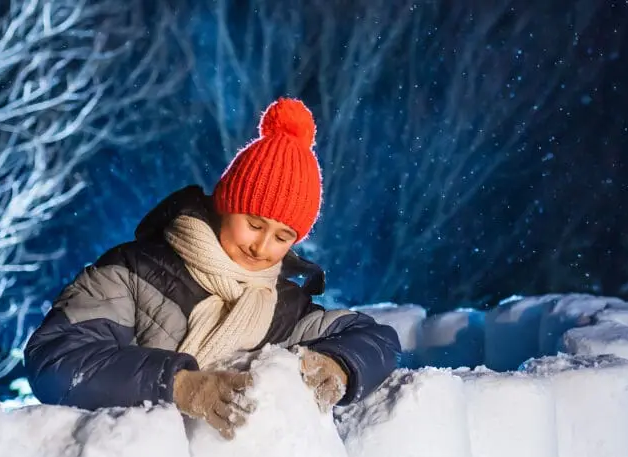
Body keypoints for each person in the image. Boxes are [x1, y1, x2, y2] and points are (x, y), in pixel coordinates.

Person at [24, 97, 400, 439]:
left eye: (283, 236)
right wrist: (179, 385)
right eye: (253, 224)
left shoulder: (283, 308)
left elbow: (377, 340)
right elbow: (55, 360)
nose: (262, 246)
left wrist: (339, 365)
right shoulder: (133, 271)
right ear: (226, 204)